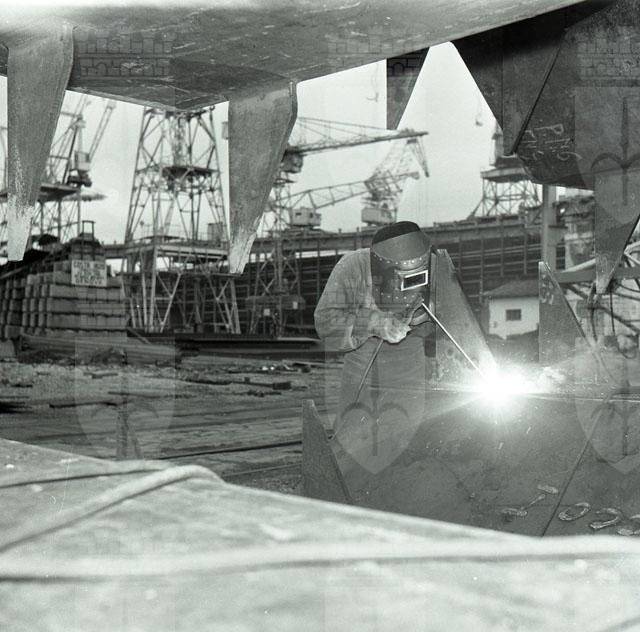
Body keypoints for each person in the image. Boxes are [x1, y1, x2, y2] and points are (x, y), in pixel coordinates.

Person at [315, 221, 435, 433]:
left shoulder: (436, 266)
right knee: (355, 434)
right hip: (364, 364)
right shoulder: (352, 267)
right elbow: (325, 322)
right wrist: (373, 323)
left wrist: (427, 320)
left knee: (408, 433)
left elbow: (454, 321)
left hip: (411, 365)